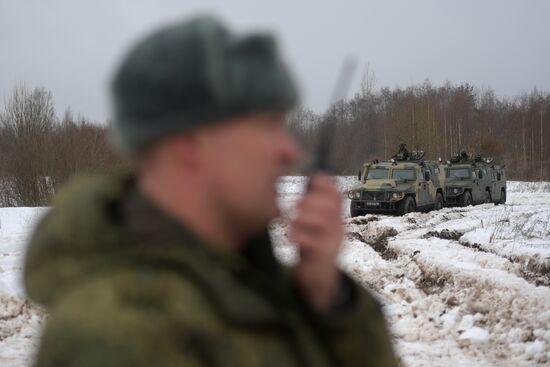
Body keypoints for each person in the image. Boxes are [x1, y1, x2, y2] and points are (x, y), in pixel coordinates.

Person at [24, 16, 398, 367]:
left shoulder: (256, 284)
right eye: (268, 125)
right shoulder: (116, 335)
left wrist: (327, 300)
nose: (290, 151)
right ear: (189, 141)